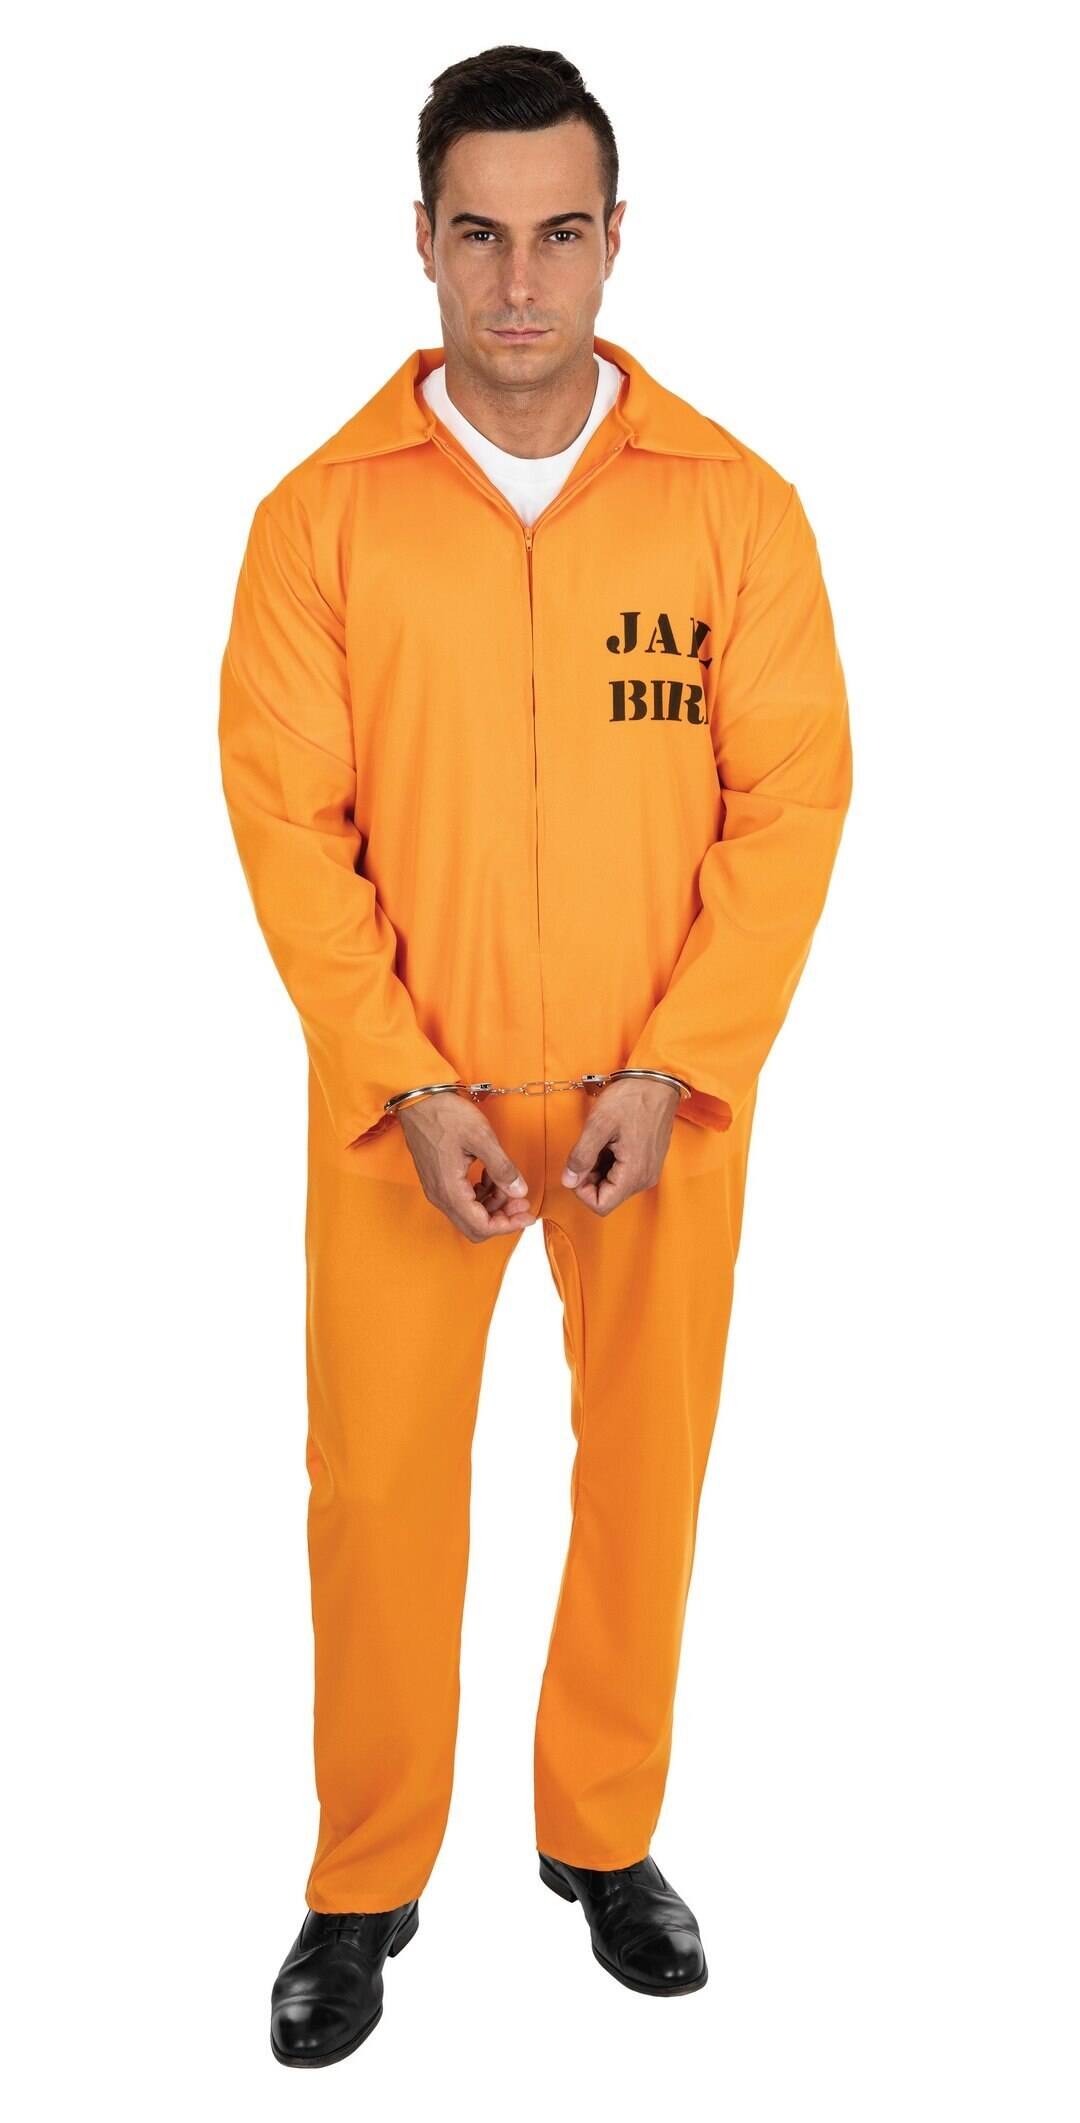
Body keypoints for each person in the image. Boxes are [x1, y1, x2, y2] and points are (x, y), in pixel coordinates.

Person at [218, 42, 853, 2068]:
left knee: (646, 1476)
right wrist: (405, 1081)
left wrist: (686, 1061)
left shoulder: (735, 512)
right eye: (478, 235)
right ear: (421, 239)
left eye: (558, 234)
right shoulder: (320, 523)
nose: (518, 283)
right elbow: (288, 825)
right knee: (380, 1495)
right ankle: (363, 1883)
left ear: (615, 240)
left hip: (662, 1095)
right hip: (407, 1102)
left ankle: (603, 1838)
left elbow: (792, 807)